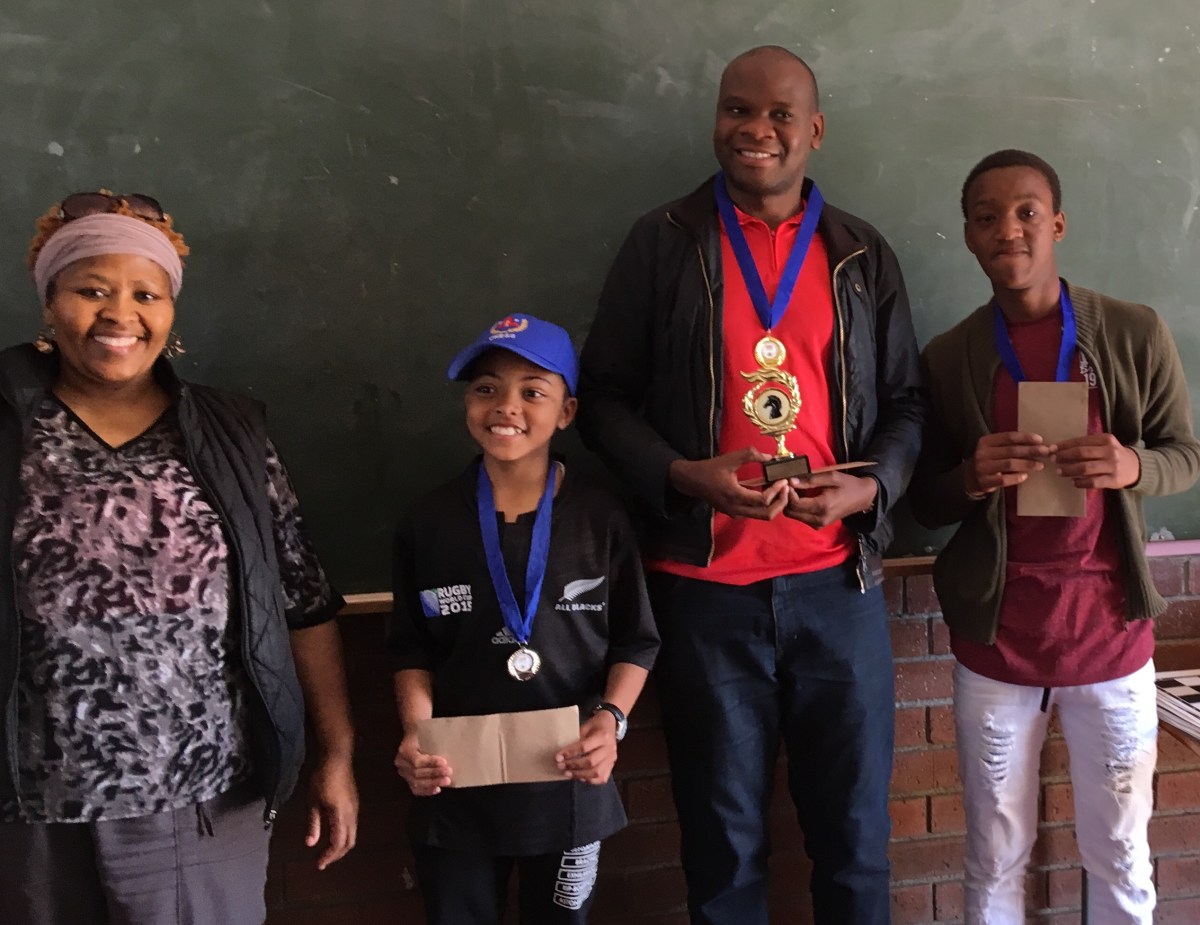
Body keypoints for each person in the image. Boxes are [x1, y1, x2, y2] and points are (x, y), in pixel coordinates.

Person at [577, 46, 924, 925]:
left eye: (778, 114)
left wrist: (870, 488)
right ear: (716, 120)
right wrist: (681, 474)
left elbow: (908, 403)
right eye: (738, 110)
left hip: (837, 590)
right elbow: (601, 397)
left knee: (855, 843)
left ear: (815, 130)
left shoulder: (859, 253)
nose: (755, 130)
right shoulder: (662, 242)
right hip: (703, 597)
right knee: (722, 851)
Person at [0, 191, 359, 925]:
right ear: (50, 302)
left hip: (203, 797)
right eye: (91, 290)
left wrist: (336, 752)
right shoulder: (7, 423)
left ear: (170, 310)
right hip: (28, 804)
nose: (119, 314)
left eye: (145, 294)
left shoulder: (231, 433)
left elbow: (303, 600)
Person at [909, 149, 1200, 925]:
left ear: (1058, 224)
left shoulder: (1133, 332)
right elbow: (922, 499)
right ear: (969, 236)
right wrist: (970, 476)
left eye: (1027, 212)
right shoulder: (950, 357)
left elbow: (1186, 454)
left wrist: (1132, 463)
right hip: (999, 650)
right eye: (987, 217)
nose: (1009, 229)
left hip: (1112, 643)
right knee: (994, 858)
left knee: (1122, 856)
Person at [390, 314, 659, 925]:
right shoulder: (428, 522)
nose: (505, 406)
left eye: (533, 391)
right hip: (454, 782)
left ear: (567, 412)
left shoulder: (601, 518)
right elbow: (410, 648)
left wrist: (611, 722)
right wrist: (415, 733)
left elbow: (636, 641)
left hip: (568, 781)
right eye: (486, 388)